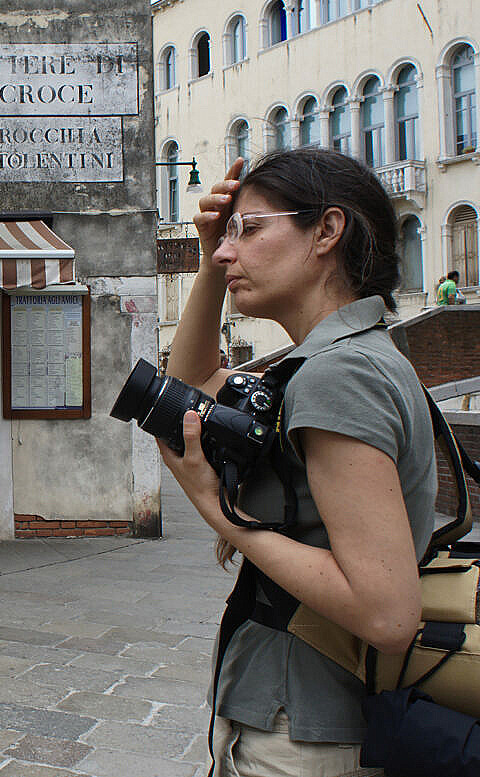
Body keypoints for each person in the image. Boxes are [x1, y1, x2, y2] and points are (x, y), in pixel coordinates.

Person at [164, 149, 436, 776]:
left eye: (250, 229)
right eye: (226, 235)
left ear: (327, 230)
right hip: (291, 708)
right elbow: (188, 392)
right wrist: (210, 262)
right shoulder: (345, 356)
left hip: (302, 728)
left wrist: (223, 515)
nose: (228, 252)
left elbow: (389, 614)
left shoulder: (340, 374)